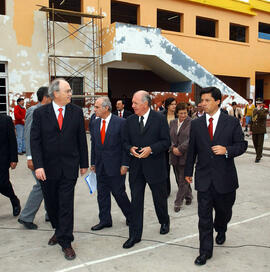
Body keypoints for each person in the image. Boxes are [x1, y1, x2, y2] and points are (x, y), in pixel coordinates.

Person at [185, 87, 247, 266]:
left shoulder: (231, 122)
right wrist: (188, 172)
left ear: (218, 101)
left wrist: (227, 150)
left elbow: (242, 145)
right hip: (204, 178)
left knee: (223, 213)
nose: (202, 104)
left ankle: (221, 227)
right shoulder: (196, 124)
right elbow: (192, 150)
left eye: (207, 100)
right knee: (203, 217)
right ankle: (205, 251)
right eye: (201, 100)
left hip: (225, 179)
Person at [30, 78, 89, 260]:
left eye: (70, 90)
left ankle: (66, 241)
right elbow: (35, 141)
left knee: (66, 205)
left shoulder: (77, 112)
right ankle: (58, 229)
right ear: (55, 93)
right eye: (68, 91)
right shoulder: (40, 114)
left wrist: (84, 163)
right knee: (52, 204)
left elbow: (81, 139)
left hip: (69, 167)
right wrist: (38, 165)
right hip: (47, 169)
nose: (71, 94)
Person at [122, 90, 170, 249]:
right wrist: (130, 149)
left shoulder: (159, 119)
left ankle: (164, 221)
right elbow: (125, 142)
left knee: (159, 199)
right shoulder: (129, 121)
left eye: (135, 103)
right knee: (136, 202)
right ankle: (134, 235)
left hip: (155, 167)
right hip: (136, 168)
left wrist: (152, 149)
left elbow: (166, 142)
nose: (132, 105)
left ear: (145, 103)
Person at [90, 97, 131, 231]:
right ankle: (105, 220)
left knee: (119, 193)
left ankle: (131, 216)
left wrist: (125, 164)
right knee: (102, 194)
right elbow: (94, 144)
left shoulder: (121, 123)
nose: (94, 109)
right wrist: (93, 162)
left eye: (97, 107)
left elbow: (125, 145)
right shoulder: (95, 123)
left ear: (106, 108)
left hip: (116, 165)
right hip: (100, 166)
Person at [18, 87, 51, 230]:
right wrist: (30, 158)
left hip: (47, 157)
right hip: (37, 158)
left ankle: (50, 214)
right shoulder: (34, 111)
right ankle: (26, 216)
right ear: (45, 97)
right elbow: (29, 135)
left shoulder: (48, 111)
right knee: (41, 185)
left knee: (49, 185)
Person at [169, 103, 192, 212]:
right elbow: (169, 137)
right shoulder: (172, 122)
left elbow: (191, 139)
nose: (183, 115)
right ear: (177, 113)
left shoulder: (192, 123)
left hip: (186, 155)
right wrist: (173, 148)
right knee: (179, 178)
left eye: (185, 113)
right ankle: (189, 195)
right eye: (181, 113)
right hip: (174, 155)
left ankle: (178, 202)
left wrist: (180, 149)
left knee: (183, 179)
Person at [0, 114, 21, 217]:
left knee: (2, 183)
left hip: (2, 158)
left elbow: (12, 139)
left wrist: (14, 159)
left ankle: (14, 199)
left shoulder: (6, 120)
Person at [161, 97, 177, 197]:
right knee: (165, 170)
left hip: (176, 148)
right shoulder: (161, 116)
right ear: (167, 105)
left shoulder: (179, 115)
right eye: (172, 104)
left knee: (178, 171)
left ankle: (183, 191)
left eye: (175, 104)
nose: (174, 106)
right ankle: (166, 191)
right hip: (164, 148)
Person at [250, 98, 268, 163]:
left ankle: (258, 157)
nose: (258, 104)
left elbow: (263, 117)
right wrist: (250, 129)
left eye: (259, 103)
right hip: (254, 129)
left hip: (261, 129)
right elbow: (252, 120)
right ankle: (259, 154)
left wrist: (258, 110)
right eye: (257, 103)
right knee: (255, 143)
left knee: (260, 144)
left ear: (262, 104)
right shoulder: (254, 110)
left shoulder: (265, 110)